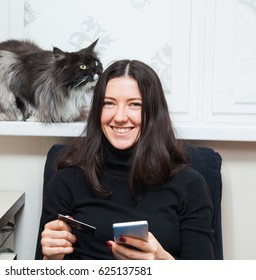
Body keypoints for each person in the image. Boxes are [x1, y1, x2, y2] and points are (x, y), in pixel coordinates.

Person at [37, 59, 214, 260]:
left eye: (134, 104)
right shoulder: (66, 180)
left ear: (153, 112)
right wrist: (50, 259)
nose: (120, 117)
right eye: (109, 103)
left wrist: (164, 262)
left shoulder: (190, 185)